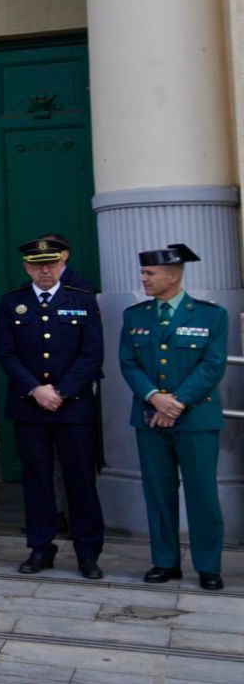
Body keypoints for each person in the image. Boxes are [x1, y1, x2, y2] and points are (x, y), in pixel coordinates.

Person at [0, 238, 105, 578]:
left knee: (80, 481)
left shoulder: (82, 300)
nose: (45, 270)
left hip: (72, 408)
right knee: (37, 481)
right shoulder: (13, 302)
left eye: (51, 264)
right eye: (37, 265)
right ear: (27, 267)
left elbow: (92, 354)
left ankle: (88, 552)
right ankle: (41, 548)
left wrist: (61, 391)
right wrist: (35, 389)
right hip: (30, 407)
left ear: (62, 264)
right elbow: (6, 353)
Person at [120, 244, 227, 591]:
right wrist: (154, 397)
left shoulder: (211, 315)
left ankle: (208, 565)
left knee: (202, 494)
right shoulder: (135, 315)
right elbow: (129, 363)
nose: (144, 279)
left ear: (174, 275)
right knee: (159, 492)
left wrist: (176, 403)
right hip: (150, 418)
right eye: (144, 273)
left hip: (196, 419)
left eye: (150, 273)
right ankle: (165, 561)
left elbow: (212, 365)